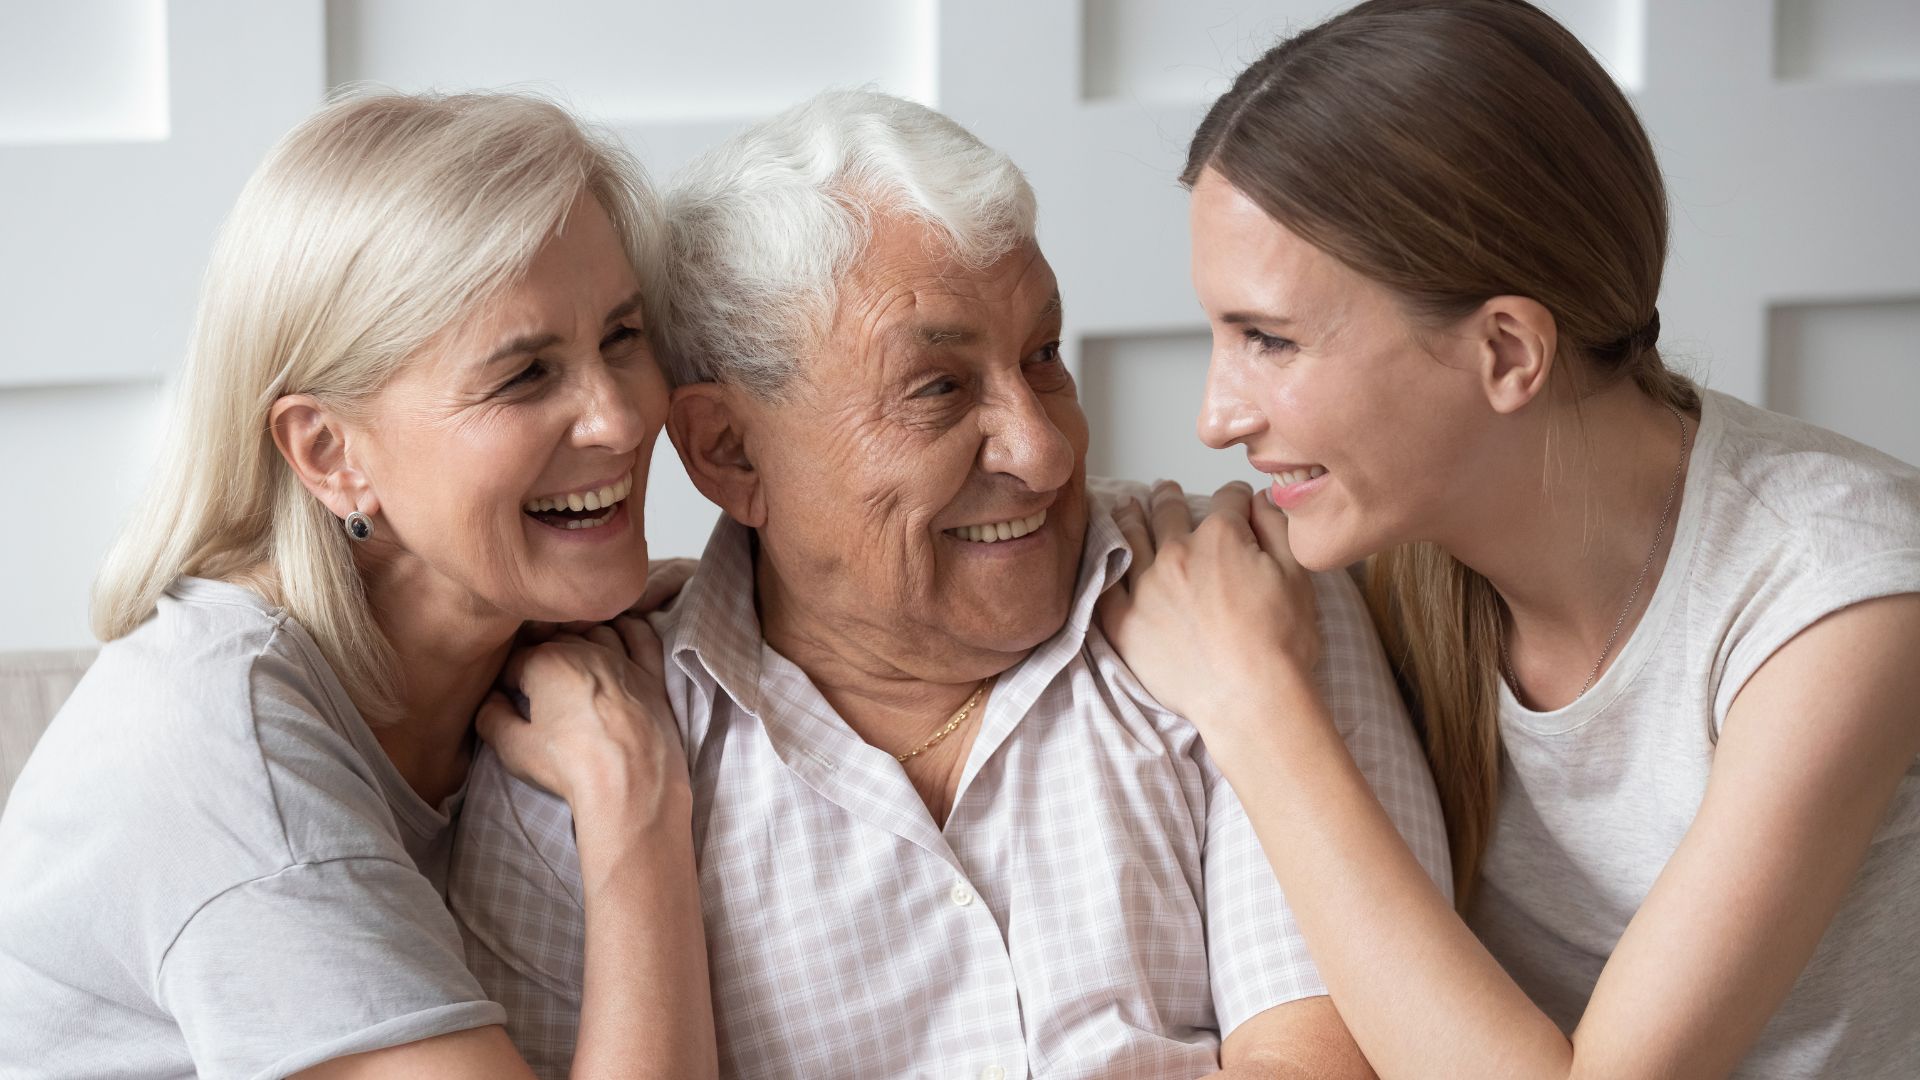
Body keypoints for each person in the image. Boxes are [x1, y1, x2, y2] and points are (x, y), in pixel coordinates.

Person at [448, 88, 1451, 1080]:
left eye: (1044, 355)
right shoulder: (581, 753)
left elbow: (1329, 1060)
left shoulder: (1242, 599)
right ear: (730, 453)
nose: (1046, 450)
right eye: (939, 389)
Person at [1097, 2, 1920, 1077]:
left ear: (1505, 351)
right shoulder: (1380, 544)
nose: (1218, 416)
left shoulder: (1838, 602)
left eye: (1271, 340)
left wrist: (1253, 702)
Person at [0, 92, 716, 1079]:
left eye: (622, 338)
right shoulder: (226, 755)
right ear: (329, 450)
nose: (621, 421)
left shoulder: (533, 644)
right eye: (524, 376)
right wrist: (635, 819)